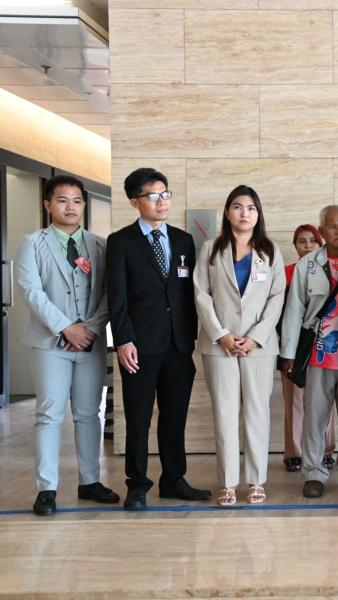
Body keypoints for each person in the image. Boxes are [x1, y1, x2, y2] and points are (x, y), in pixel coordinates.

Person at [16, 175, 119, 516]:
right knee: (49, 414)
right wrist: (66, 328)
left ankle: (90, 481)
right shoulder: (32, 243)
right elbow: (31, 292)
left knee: (89, 413)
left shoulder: (99, 245)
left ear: (84, 204)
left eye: (76, 200)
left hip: (90, 341)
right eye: (62, 200)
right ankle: (46, 489)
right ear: (48, 205)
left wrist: (90, 329)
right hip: (50, 343)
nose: (71, 207)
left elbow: (109, 293)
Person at [106, 167, 209, 510]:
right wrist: (123, 340)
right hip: (139, 346)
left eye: (165, 194)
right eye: (153, 196)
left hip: (178, 345)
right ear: (134, 201)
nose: (162, 201)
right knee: (138, 419)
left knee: (175, 416)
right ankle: (137, 485)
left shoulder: (183, 240)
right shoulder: (120, 242)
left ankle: (173, 479)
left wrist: (192, 337)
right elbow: (116, 297)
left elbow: (188, 293)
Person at [194, 185, 285, 506]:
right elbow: (201, 294)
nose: (244, 213)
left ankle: (256, 480)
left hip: (259, 346)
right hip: (219, 345)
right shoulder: (211, 248)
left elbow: (277, 297)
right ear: (227, 212)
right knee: (225, 413)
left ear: (258, 214)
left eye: (251, 208)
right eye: (237, 206)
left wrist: (256, 336)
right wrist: (221, 334)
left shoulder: (270, 250)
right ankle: (228, 483)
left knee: (257, 413)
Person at [280, 205, 338, 499]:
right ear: (322, 232)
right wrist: (288, 353)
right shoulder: (308, 266)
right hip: (318, 357)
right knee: (315, 419)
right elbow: (294, 310)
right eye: (333, 226)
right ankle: (313, 473)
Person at [278, 225, 337, 473]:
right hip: (294, 346)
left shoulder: (331, 270)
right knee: (295, 400)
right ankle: (295, 452)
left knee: (326, 399)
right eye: (302, 241)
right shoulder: (286, 273)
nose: (308, 245)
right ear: (295, 246)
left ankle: (326, 450)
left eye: (313, 240)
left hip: (325, 343)